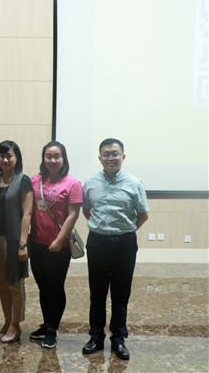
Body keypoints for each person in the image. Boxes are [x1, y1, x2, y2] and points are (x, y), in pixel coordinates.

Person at [81, 138, 149, 360]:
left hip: (124, 245)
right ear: (100, 158)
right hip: (97, 243)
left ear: (123, 157)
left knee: (121, 294)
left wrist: (124, 231)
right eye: (106, 154)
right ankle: (96, 337)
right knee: (97, 293)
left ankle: (118, 339)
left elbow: (143, 215)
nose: (110, 158)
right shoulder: (90, 182)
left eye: (115, 153)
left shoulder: (134, 183)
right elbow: (87, 211)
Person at [29, 141, 82, 348]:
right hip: (37, 244)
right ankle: (46, 323)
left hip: (59, 246)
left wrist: (59, 240)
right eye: (48, 156)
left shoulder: (73, 184)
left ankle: (53, 329)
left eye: (57, 156)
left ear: (63, 159)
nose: (52, 160)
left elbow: (73, 215)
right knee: (43, 287)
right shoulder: (35, 181)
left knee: (55, 287)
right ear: (43, 159)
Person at [0, 140, 33, 343]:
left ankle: (16, 324)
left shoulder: (23, 180)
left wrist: (23, 244)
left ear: (17, 158)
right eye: (2, 156)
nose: (5, 160)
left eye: (9, 156)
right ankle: (7, 321)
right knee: (2, 283)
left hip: (14, 240)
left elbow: (27, 214)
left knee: (15, 283)